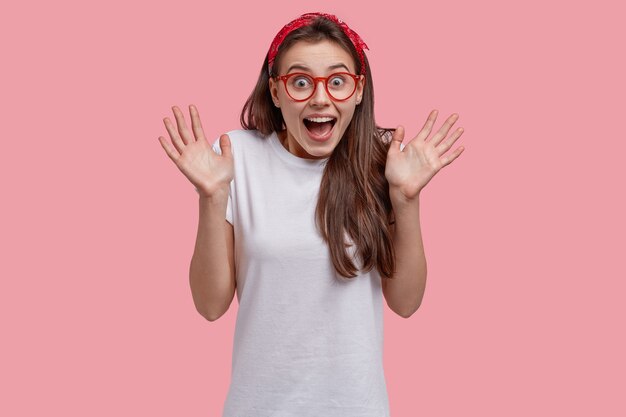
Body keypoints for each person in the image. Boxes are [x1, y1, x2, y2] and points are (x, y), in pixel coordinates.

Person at [158, 11, 464, 417]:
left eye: (337, 82)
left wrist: (405, 198)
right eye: (300, 82)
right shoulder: (236, 158)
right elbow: (210, 305)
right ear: (276, 91)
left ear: (357, 91)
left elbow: (405, 303)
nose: (320, 98)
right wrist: (211, 196)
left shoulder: (384, 161)